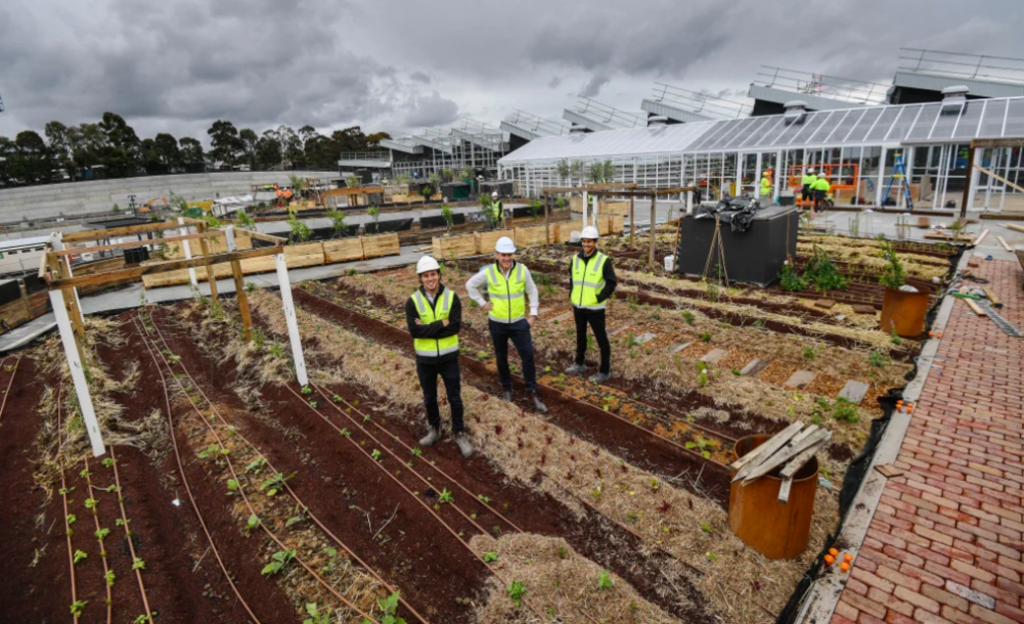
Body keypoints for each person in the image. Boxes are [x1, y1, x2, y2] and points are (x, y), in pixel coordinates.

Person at [465, 237, 548, 413]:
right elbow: (470, 285)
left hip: (519, 322)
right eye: (503, 255)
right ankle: (507, 389)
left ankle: (532, 392)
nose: (507, 258)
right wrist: (482, 303)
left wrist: (533, 314)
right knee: (501, 357)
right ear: (496, 255)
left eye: (509, 255)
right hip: (497, 323)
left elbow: (532, 290)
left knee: (528, 356)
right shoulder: (489, 272)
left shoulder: (522, 270)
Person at [405, 255, 473, 458]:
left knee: (455, 397)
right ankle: (434, 429)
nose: (430, 279)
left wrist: (428, 327)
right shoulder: (413, 302)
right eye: (425, 276)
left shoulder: (452, 298)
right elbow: (414, 332)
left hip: (448, 357)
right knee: (429, 397)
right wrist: (440, 324)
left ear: (439, 275)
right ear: (421, 278)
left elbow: (454, 327)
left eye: (433, 274)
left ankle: (459, 433)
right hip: (425, 360)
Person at [565, 226, 617, 383]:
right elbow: (572, 278)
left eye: (589, 241)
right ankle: (579, 363)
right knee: (581, 337)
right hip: (578, 307)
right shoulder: (575, 260)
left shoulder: (603, 261)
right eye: (584, 241)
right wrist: (572, 294)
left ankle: (604, 371)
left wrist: (599, 297)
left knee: (601, 339)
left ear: (595, 242)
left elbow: (611, 282)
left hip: (595, 308)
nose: (586, 244)